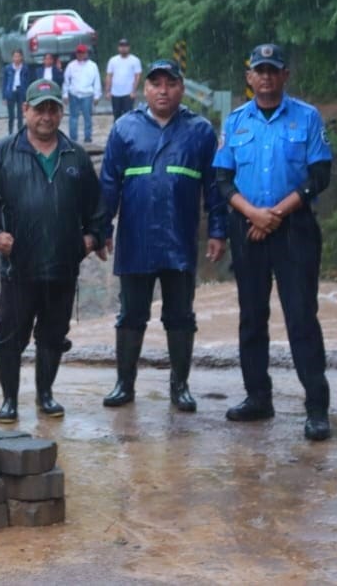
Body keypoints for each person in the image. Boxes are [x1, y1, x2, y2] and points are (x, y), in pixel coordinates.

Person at [213, 43, 334, 441]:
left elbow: (318, 176)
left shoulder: (307, 118)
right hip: (247, 230)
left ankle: (316, 408)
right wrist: (253, 214)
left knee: (301, 317)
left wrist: (275, 214)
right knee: (252, 317)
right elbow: (222, 180)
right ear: (249, 78)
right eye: (259, 71)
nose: (266, 77)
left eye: (273, 70)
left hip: (295, 230)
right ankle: (258, 398)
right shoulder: (235, 122)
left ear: (285, 76)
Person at [0, 79, 107, 423]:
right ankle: (9, 400)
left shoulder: (75, 155)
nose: (46, 116)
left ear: (61, 112)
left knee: (53, 334)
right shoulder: (2, 154)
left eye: (53, 109)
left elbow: (97, 209)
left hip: (62, 266)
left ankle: (45, 395)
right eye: (40, 109)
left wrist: (91, 239)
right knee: (9, 336)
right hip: (19, 267)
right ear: (25, 110)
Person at [99, 61, 227, 412]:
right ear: (145, 90)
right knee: (131, 315)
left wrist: (217, 230)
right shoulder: (125, 128)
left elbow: (214, 187)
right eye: (156, 84)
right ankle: (124, 384)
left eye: (170, 83)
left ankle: (180, 387)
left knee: (181, 315)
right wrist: (100, 228)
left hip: (179, 237)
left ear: (181, 89)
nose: (163, 90)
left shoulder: (199, 130)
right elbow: (109, 183)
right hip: (136, 237)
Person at [62, 43, 100, 143]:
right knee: (73, 117)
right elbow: (66, 80)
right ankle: (73, 139)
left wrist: (97, 95)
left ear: (86, 53)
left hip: (87, 94)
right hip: (74, 94)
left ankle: (88, 138)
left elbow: (97, 81)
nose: (80, 55)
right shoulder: (71, 65)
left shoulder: (93, 66)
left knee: (87, 118)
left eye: (82, 53)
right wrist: (65, 94)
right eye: (78, 53)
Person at [104, 38, 143, 121]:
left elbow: (137, 76)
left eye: (125, 46)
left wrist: (134, 91)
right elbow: (109, 76)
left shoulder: (135, 60)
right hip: (115, 93)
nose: (123, 48)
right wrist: (107, 91)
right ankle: (117, 132)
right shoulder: (113, 60)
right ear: (118, 48)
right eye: (121, 46)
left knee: (128, 116)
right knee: (116, 115)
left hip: (128, 93)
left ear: (129, 47)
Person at [1, 50, 33, 135]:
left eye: (18, 56)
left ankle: (20, 133)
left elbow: (28, 82)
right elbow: (4, 83)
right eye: (15, 56)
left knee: (20, 115)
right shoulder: (8, 68)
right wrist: (4, 97)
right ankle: (10, 133)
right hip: (11, 92)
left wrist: (27, 96)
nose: (17, 58)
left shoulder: (25, 68)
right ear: (12, 58)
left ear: (21, 57)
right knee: (11, 115)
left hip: (21, 92)